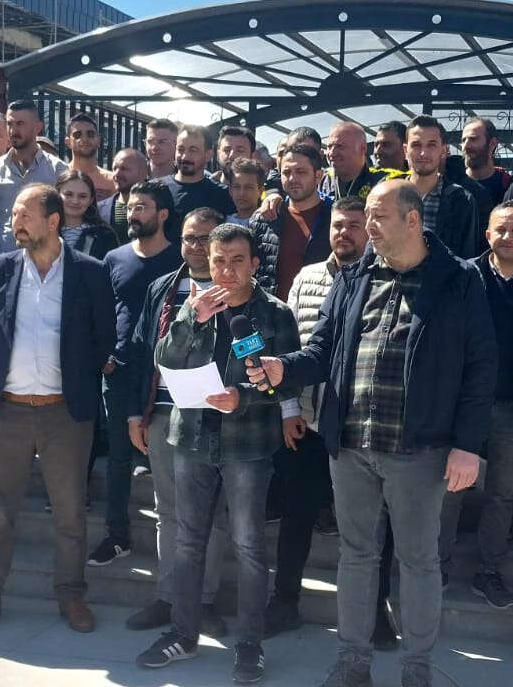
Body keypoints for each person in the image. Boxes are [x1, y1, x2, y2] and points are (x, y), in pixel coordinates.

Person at [248, 179, 496, 687]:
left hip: (419, 448)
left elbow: (480, 366)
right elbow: (322, 349)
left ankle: (416, 670)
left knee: (418, 561)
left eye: (378, 217)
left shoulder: (458, 279)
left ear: (412, 220)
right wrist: (282, 368)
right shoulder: (355, 275)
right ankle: (352, 663)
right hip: (350, 444)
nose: (368, 227)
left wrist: (468, 445)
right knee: (356, 556)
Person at [134, 223, 301, 685]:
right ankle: (182, 633)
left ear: (254, 264)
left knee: (248, 545)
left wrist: (242, 397)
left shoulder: (275, 313)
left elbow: (287, 382)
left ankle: (249, 643)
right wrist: (192, 320)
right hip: (191, 438)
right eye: (219, 261)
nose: (226, 271)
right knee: (188, 541)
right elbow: (164, 359)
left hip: (247, 445)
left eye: (237, 261)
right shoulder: (194, 305)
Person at [0, 183, 116, 635]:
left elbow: (104, 336)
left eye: (24, 215)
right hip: (6, 410)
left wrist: (79, 378)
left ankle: (71, 595)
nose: (15, 223)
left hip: (64, 413)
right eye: (13, 216)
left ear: (53, 221)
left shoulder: (89, 272)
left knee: (69, 514)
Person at [266, 196, 383, 634]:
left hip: (360, 427)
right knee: (296, 516)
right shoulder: (307, 277)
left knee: (370, 526)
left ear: (369, 230)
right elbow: (289, 346)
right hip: (308, 422)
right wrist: (288, 409)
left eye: (354, 225)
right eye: (337, 225)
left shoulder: (383, 279)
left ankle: (375, 612)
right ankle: (284, 601)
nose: (344, 233)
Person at [439, 202, 513, 609]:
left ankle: (490, 571)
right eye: (501, 229)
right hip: (462, 404)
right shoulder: (462, 277)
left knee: (502, 495)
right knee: (450, 490)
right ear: (487, 234)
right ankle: (436, 566)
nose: (508, 237)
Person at [123, 207, 233, 635]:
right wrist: (136, 413)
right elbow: (140, 351)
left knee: (211, 515)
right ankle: (169, 597)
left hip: (215, 420)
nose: (197, 247)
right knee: (167, 511)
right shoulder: (162, 289)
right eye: (190, 238)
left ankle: (201, 601)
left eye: (206, 238)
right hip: (163, 415)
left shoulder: (239, 290)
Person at [88, 179, 182, 568]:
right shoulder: (114, 258)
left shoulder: (179, 258)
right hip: (120, 368)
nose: (133, 213)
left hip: (164, 374)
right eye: (130, 206)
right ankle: (117, 535)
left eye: (142, 207)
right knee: (118, 457)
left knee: (167, 458)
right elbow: (100, 311)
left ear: (162, 214)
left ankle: (176, 543)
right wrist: (103, 356)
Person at [0, 99, 67, 252]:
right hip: (3, 257)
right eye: (9, 124)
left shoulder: (57, 169)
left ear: (38, 128)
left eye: (20, 124)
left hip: (44, 258)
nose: (13, 130)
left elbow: (65, 218)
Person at [251, 144, 332, 296]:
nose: (293, 178)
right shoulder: (265, 218)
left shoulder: (335, 219)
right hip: (271, 308)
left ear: (318, 175)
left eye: (301, 172)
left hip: (320, 307)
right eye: (286, 172)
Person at [404, 115, 480, 259]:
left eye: (431, 145)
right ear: (405, 151)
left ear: (444, 151)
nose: (423, 153)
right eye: (416, 145)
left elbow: (466, 259)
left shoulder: (461, 200)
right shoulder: (388, 194)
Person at [165, 124, 237, 239]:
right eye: (180, 149)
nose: (185, 157)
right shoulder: (156, 190)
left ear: (208, 155)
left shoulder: (223, 195)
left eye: (193, 150)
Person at [322, 121, 399, 201]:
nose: (332, 153)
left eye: (340, 146)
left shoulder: (387, 181)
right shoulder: (324, 181)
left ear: (363, 149)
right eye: (329, 147)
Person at [55, 169, 120, 259]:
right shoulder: (44, 231)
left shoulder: (105, 235)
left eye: (82, 196)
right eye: (68, 194)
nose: (75, 201)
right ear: (57, 195)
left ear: (91, 200)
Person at [65, 112, 118, 202]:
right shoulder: (57, 176)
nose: (85, 139)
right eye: (77, 135)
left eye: (90, 134)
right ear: (68, 142)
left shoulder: (113, 181)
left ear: (99, 140)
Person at [462, 118, 513, 205]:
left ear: (492, 143)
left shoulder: (509, 186)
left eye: (473, 139)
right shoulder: (454, 184)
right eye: (463, 140)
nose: (465, 146)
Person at [98, 148, 148, 234]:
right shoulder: (99, 210)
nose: (116, 174)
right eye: (114, 169)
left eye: (124, 169)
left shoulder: (157, 208)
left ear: (143, 173)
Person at [225, 157, 265, 226]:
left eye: (248, 187)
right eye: (237, 187)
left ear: (260, 191)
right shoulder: (222, 223)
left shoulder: (268, 224)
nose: (242, 193)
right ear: (230, 191)